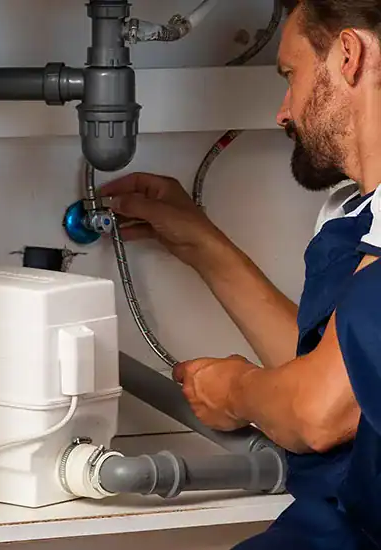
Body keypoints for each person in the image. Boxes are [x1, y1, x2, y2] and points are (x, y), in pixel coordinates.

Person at [101, 1, 381, 548]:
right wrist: (202, 244)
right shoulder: (355, 213)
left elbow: (322, 412)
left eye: (290, 75)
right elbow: (331, 371)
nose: (283, 111)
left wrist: (236, 391)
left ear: (348, 56)